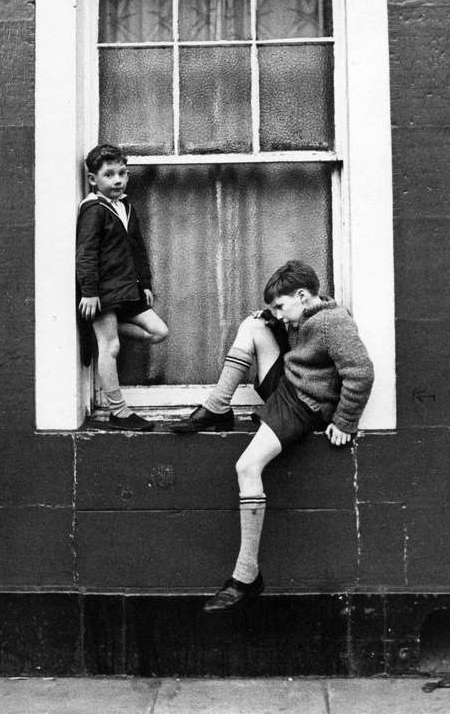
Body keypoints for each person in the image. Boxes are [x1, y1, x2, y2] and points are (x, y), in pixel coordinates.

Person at [169, 259, 374, 612]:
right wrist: (268, 317)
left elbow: (362, 373)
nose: (279, 315)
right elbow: (291, 336)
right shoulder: (304, 315)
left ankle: (246, 576)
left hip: (303, 405)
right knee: (252, 324)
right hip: (287, 387)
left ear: (302, 295)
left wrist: (344, 422)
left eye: (281, 306)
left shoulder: (333, 322)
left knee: (247, 467)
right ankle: (217, 406)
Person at [76, 143, 168, 431]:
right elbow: (86, 253)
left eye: (122, 173)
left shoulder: (126, 207)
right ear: (94, 180)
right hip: (102, 291)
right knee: (110, 346)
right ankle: (119, 411)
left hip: (128, 289)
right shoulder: (94, 209)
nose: (118, 180)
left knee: (159, 332)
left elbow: (138, 249)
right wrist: (89, 291)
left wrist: (146, 283)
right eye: (109, 175)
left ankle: (103, 333)